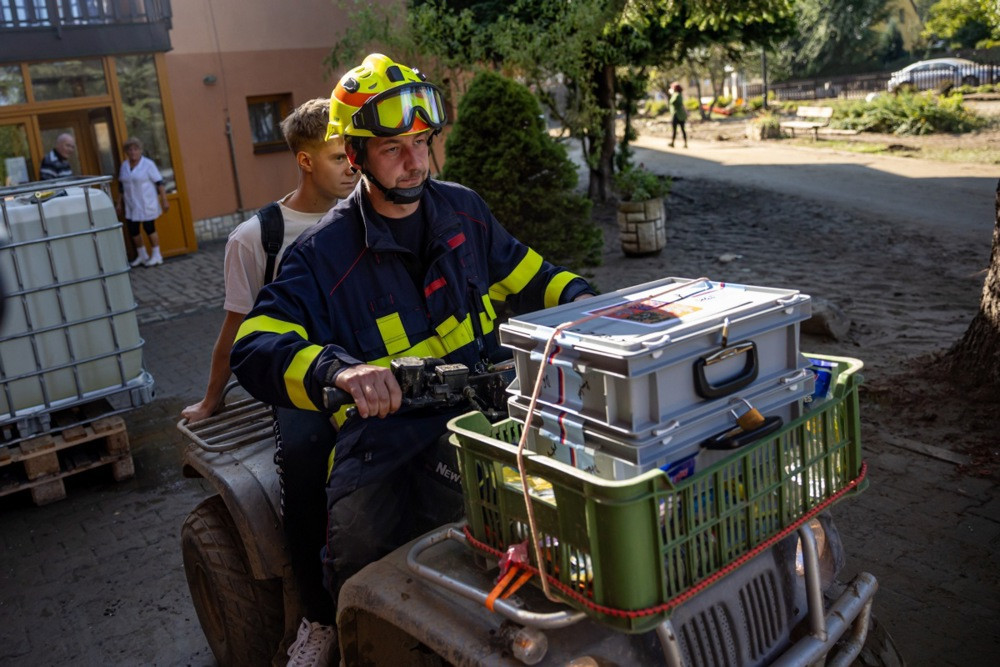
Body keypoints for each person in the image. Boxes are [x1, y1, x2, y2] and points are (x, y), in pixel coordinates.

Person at [230, 53, 595, 652]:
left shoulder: (464, 211)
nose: (416, 161)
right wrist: (340, 372)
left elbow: (535, 276)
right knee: (363, 564)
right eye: (394, 148)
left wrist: (597, 308)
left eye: (423, 142)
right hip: (386, 446)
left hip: (490, 420)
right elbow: (254, 343)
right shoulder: (322, 256)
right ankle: (335, 630)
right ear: (355, 157)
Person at [181, 97, 359, 667]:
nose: (353, 166)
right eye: (338, 157)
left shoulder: (370, 209)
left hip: (369, 359)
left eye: (354, 154)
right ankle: (316, 616)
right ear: (305, 161)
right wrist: (211, 400)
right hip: (298, 374)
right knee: (304, 460)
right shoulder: (256, 238)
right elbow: (236, 332)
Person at [116, 137, 169, 267]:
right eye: (130, 150)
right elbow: (121, 186)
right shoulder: (124, 166)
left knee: (149, 228)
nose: (133, 152)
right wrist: (118, 203)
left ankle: (157, 255)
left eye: (136, 149)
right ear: (126, 152)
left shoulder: (148, 164)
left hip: (146, 202)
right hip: (131, 204)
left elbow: (159, 183)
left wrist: (164, 200)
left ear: (140, 150)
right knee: (133, 230)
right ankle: (142, 255)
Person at [669, 82, 688, 149]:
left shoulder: (676, 95)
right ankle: (685, 143)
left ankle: (673, 143)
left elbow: (672, 102)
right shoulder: (679, 95)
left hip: (677, 115)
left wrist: (672, 94)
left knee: (675, 130)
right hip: (680, 115)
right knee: (682, 129)